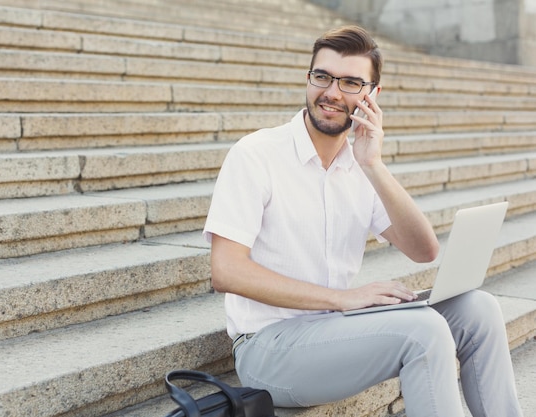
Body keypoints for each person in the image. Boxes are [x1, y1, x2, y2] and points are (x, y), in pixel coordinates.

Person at [203, 25, 523, 417]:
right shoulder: (256, 155)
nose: (333, 93)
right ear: (308, 78)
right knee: (424, 332)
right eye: (322, 77)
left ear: (372, 95)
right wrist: (342, 299)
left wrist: (374, 163)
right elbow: (226, 272)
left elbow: (423, 250)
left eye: (351, 83)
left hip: (335, 332)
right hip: (269, 348)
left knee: (479, 309)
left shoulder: (359, 166)